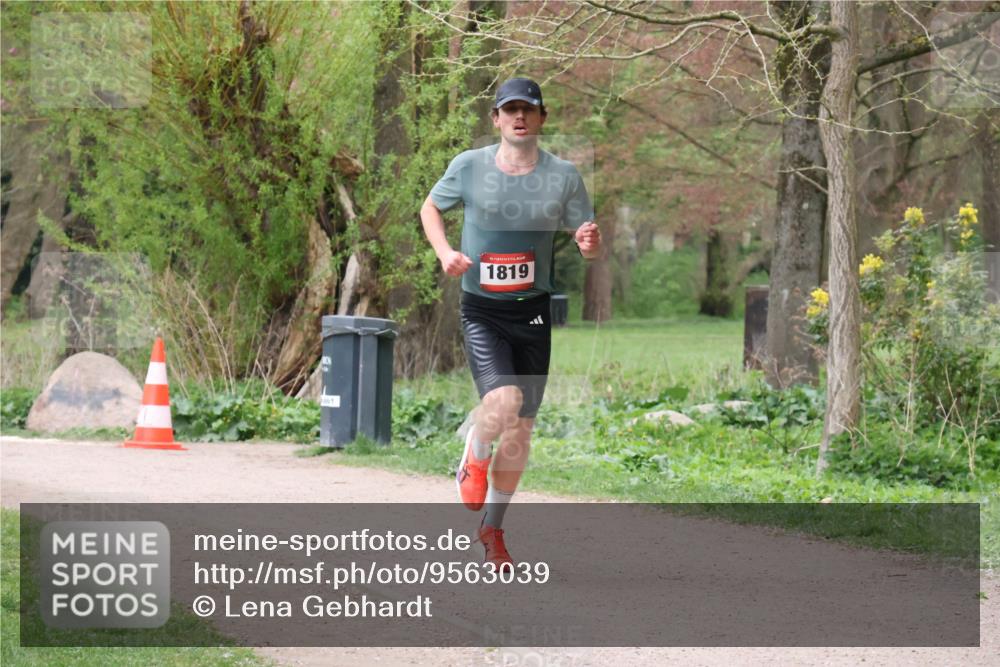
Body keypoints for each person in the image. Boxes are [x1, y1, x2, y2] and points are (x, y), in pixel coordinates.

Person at [420, 77, 601, 570]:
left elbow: (587, 239)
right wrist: (445, 252)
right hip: (483, 308)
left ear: (542, 118)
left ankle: (492, 531)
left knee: (521, 430)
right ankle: (474, 453)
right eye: (509, 109)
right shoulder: (469, 166)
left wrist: (588, 244)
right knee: (503, 400)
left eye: (528, 109)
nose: (519, 116)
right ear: (496, 119)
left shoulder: (563, 175)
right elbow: (431, 207)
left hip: (534, 310)